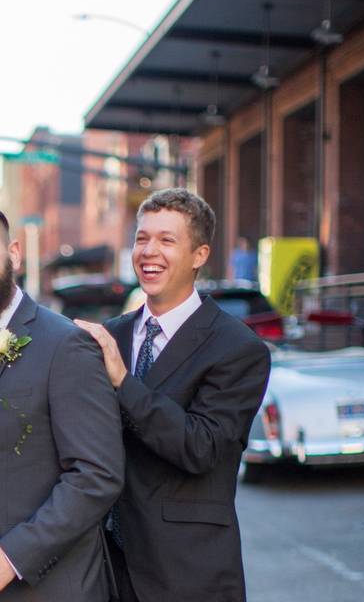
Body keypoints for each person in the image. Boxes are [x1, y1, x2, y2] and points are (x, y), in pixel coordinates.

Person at [0, 201, 124, 602]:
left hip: (46, 587)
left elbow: (97, 475)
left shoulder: (65, 345)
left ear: (13, 253)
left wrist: (13, 555)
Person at [76, 189, 271, 602]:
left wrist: (122, 380)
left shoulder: (239, 348)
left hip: (187, 573)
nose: (149, 251)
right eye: (142, 239)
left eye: (167, 240)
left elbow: (200, 447)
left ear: (199, 255)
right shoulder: (113, 333)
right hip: (104, 568)